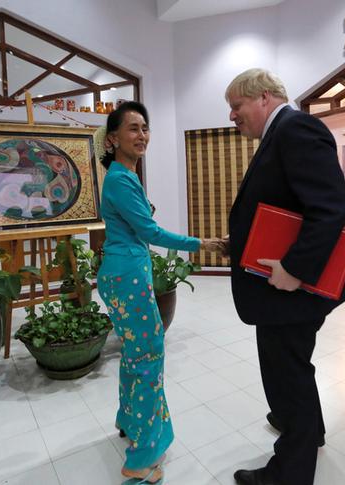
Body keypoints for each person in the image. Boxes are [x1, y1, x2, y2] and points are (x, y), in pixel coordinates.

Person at [222, 69, 345, 485]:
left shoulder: (297, 129)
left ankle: (289, 474)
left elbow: (330, 208)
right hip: (283, 287)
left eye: (236, 106)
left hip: (290, 288)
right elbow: (286, 206)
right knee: (294, 366)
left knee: (285, 375)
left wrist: (296, 270)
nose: (232, 116)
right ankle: (309, 431)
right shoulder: (282, 134)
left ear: (263, 97)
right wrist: (240, 241)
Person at [95, 101, 221, 484]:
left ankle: (129, 420)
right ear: (113, 138)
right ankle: (141, 458)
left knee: (136, 353)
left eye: (145, 128)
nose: (142, 135)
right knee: (148, 355)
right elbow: (150, 233)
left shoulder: (124, 176)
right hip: (127, 275)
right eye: (133, 129)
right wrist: (203, 243)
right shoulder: (119, 178)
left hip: (122, 273)